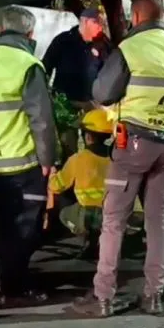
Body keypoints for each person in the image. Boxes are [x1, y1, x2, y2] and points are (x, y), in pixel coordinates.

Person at [71, 0, 164, 318]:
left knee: (114, 221)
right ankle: (153, 296)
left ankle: (103, 297)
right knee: (158, 222)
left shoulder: (129, 49)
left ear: (135, 16)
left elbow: (102, 92)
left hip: (132, 144)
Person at [0, 5, 58, 308]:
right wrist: (48, 159)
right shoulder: (28, 65)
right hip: (24, 161)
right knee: (26, 227)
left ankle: (4, 279)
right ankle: (13, 287)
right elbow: (41, 119)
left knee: (5, 224)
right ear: (30, 33)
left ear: (1, 30)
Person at [43, 8, 111, 158]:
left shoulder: (103, 43)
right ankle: (70, 170)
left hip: (92, 103)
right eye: (97, 23)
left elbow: (111, 72)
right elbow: (45, 67)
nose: (101, 27)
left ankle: (92, 171)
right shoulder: (63, 41)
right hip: (66, 103)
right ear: (85, 21)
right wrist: (47, 95)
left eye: (103, 23)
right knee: (68, 148)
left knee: (95, 148)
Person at [48, 108, 112, 258]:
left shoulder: (78, 159)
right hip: (113, 214)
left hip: (88, 216)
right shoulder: (117, 158)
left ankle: (85, 233)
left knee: (64, 210)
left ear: (87, 136)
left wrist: (52, 175)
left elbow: (56, 186)